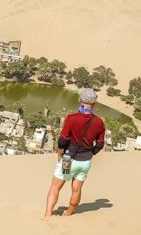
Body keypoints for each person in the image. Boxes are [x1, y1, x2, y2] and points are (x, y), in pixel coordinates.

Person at [43, 88, 106, 219]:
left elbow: (63, 139)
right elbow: (100, 144)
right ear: (94, 103)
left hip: (68, 159)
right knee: (76, 188)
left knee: (55, 186)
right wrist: (90, 153)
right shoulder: (99, 122)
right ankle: (69, 213)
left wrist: (60, 151)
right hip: (85, 162)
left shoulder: (72, 118)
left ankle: (48, 214)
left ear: (79, 100)